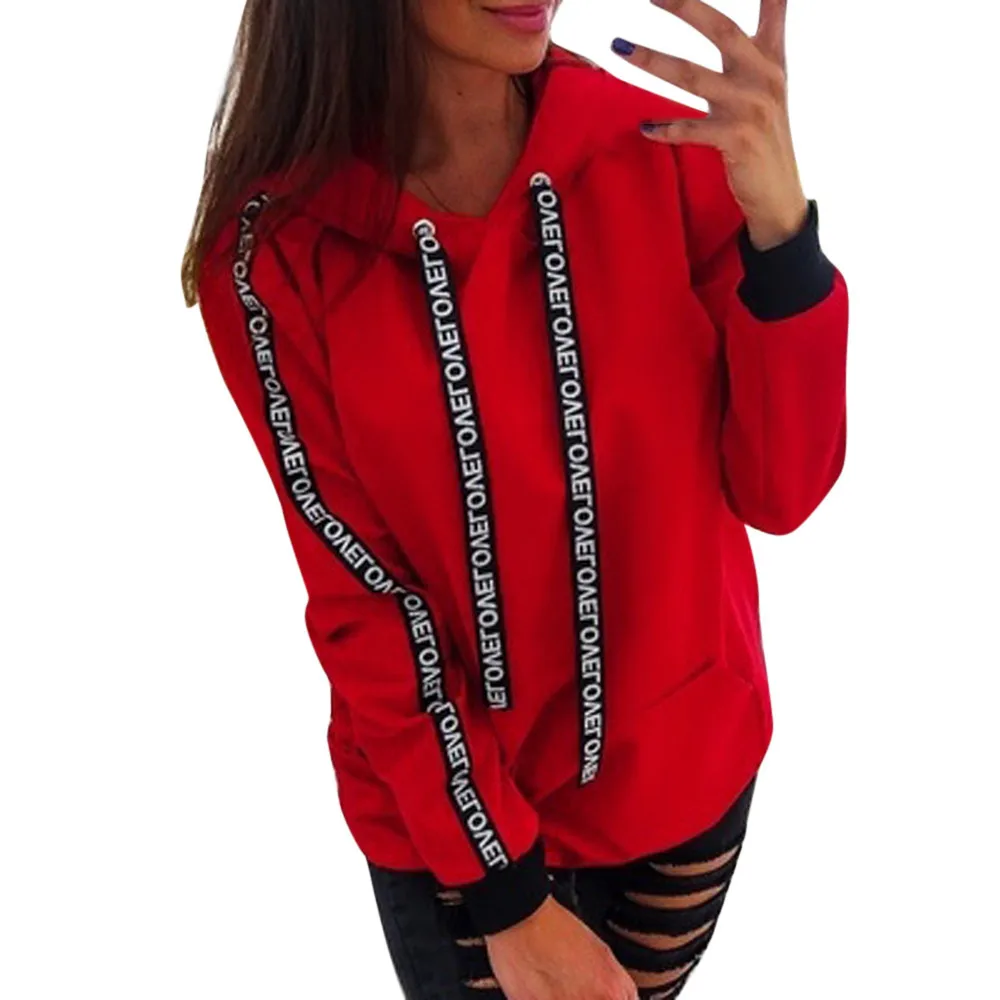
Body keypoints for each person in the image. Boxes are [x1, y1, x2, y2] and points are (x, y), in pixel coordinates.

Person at [181, 1, 849, 997]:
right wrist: (507, 896)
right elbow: (369, 601)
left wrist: (783, 239)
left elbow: (783, 489)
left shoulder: (657, 147)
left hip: (683, 791)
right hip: (451, 844)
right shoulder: (273, 253)